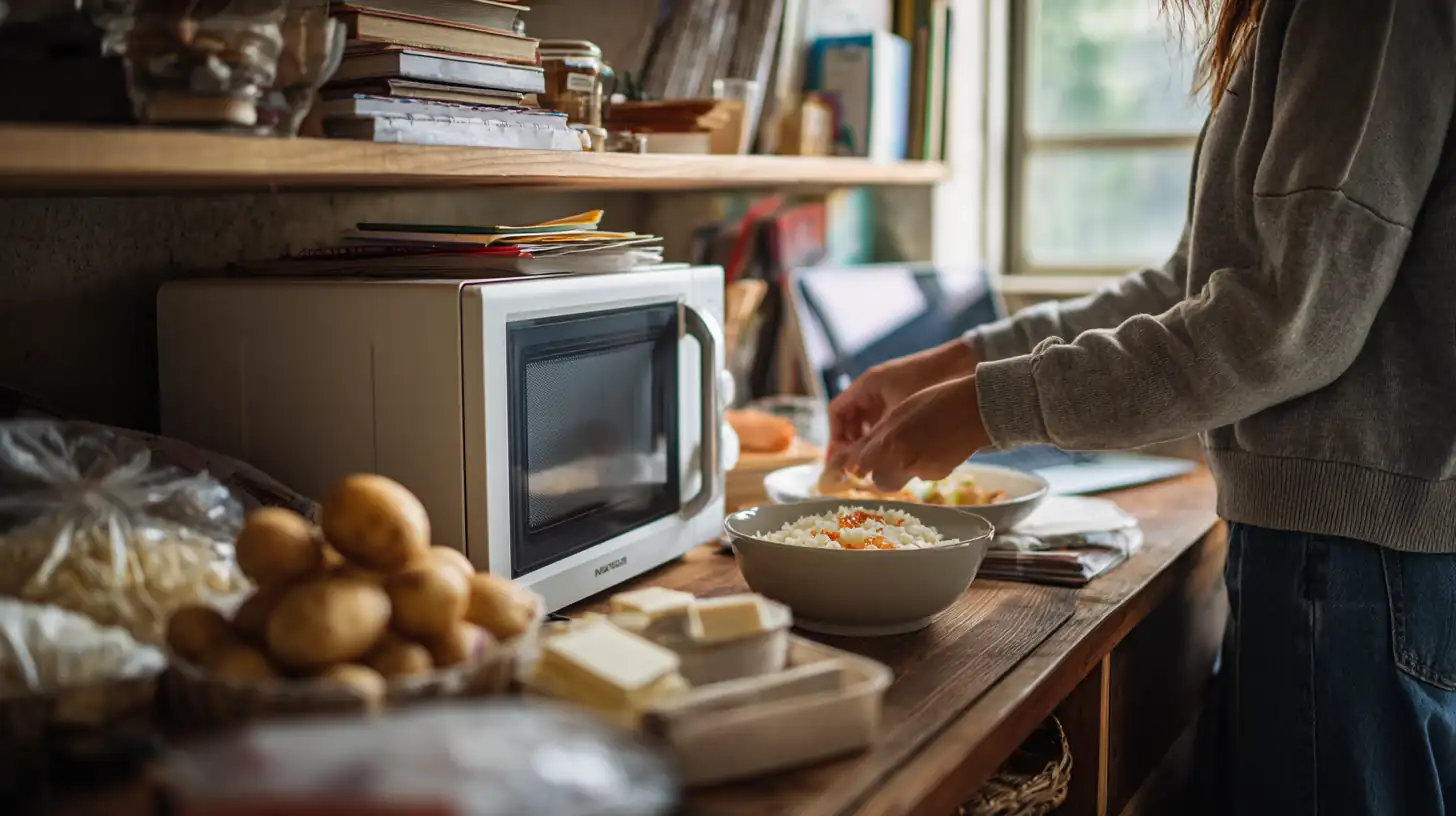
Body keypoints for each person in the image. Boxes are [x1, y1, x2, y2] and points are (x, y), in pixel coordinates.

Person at [824, 1, 1456, 813]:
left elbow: (1284, 325)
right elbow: (1193, 287)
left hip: (1354, 569)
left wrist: (984, 409)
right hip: (1347, 560)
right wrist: (956, 362)